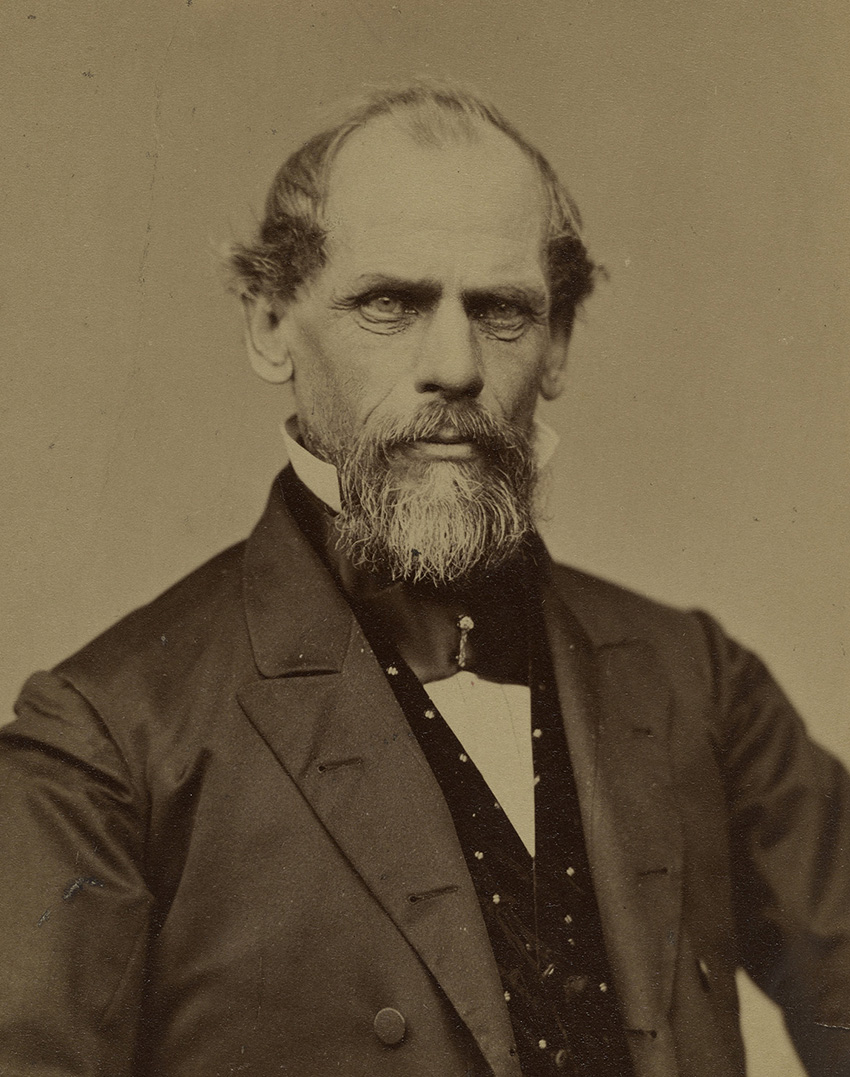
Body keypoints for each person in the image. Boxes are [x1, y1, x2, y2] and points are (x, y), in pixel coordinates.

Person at [1, 82, 847, 1077]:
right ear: (271, 323)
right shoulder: (108, 740)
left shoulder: (695, 679)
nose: (452, 366)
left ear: (559, 343)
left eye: (500, 313)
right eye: (389, 305)